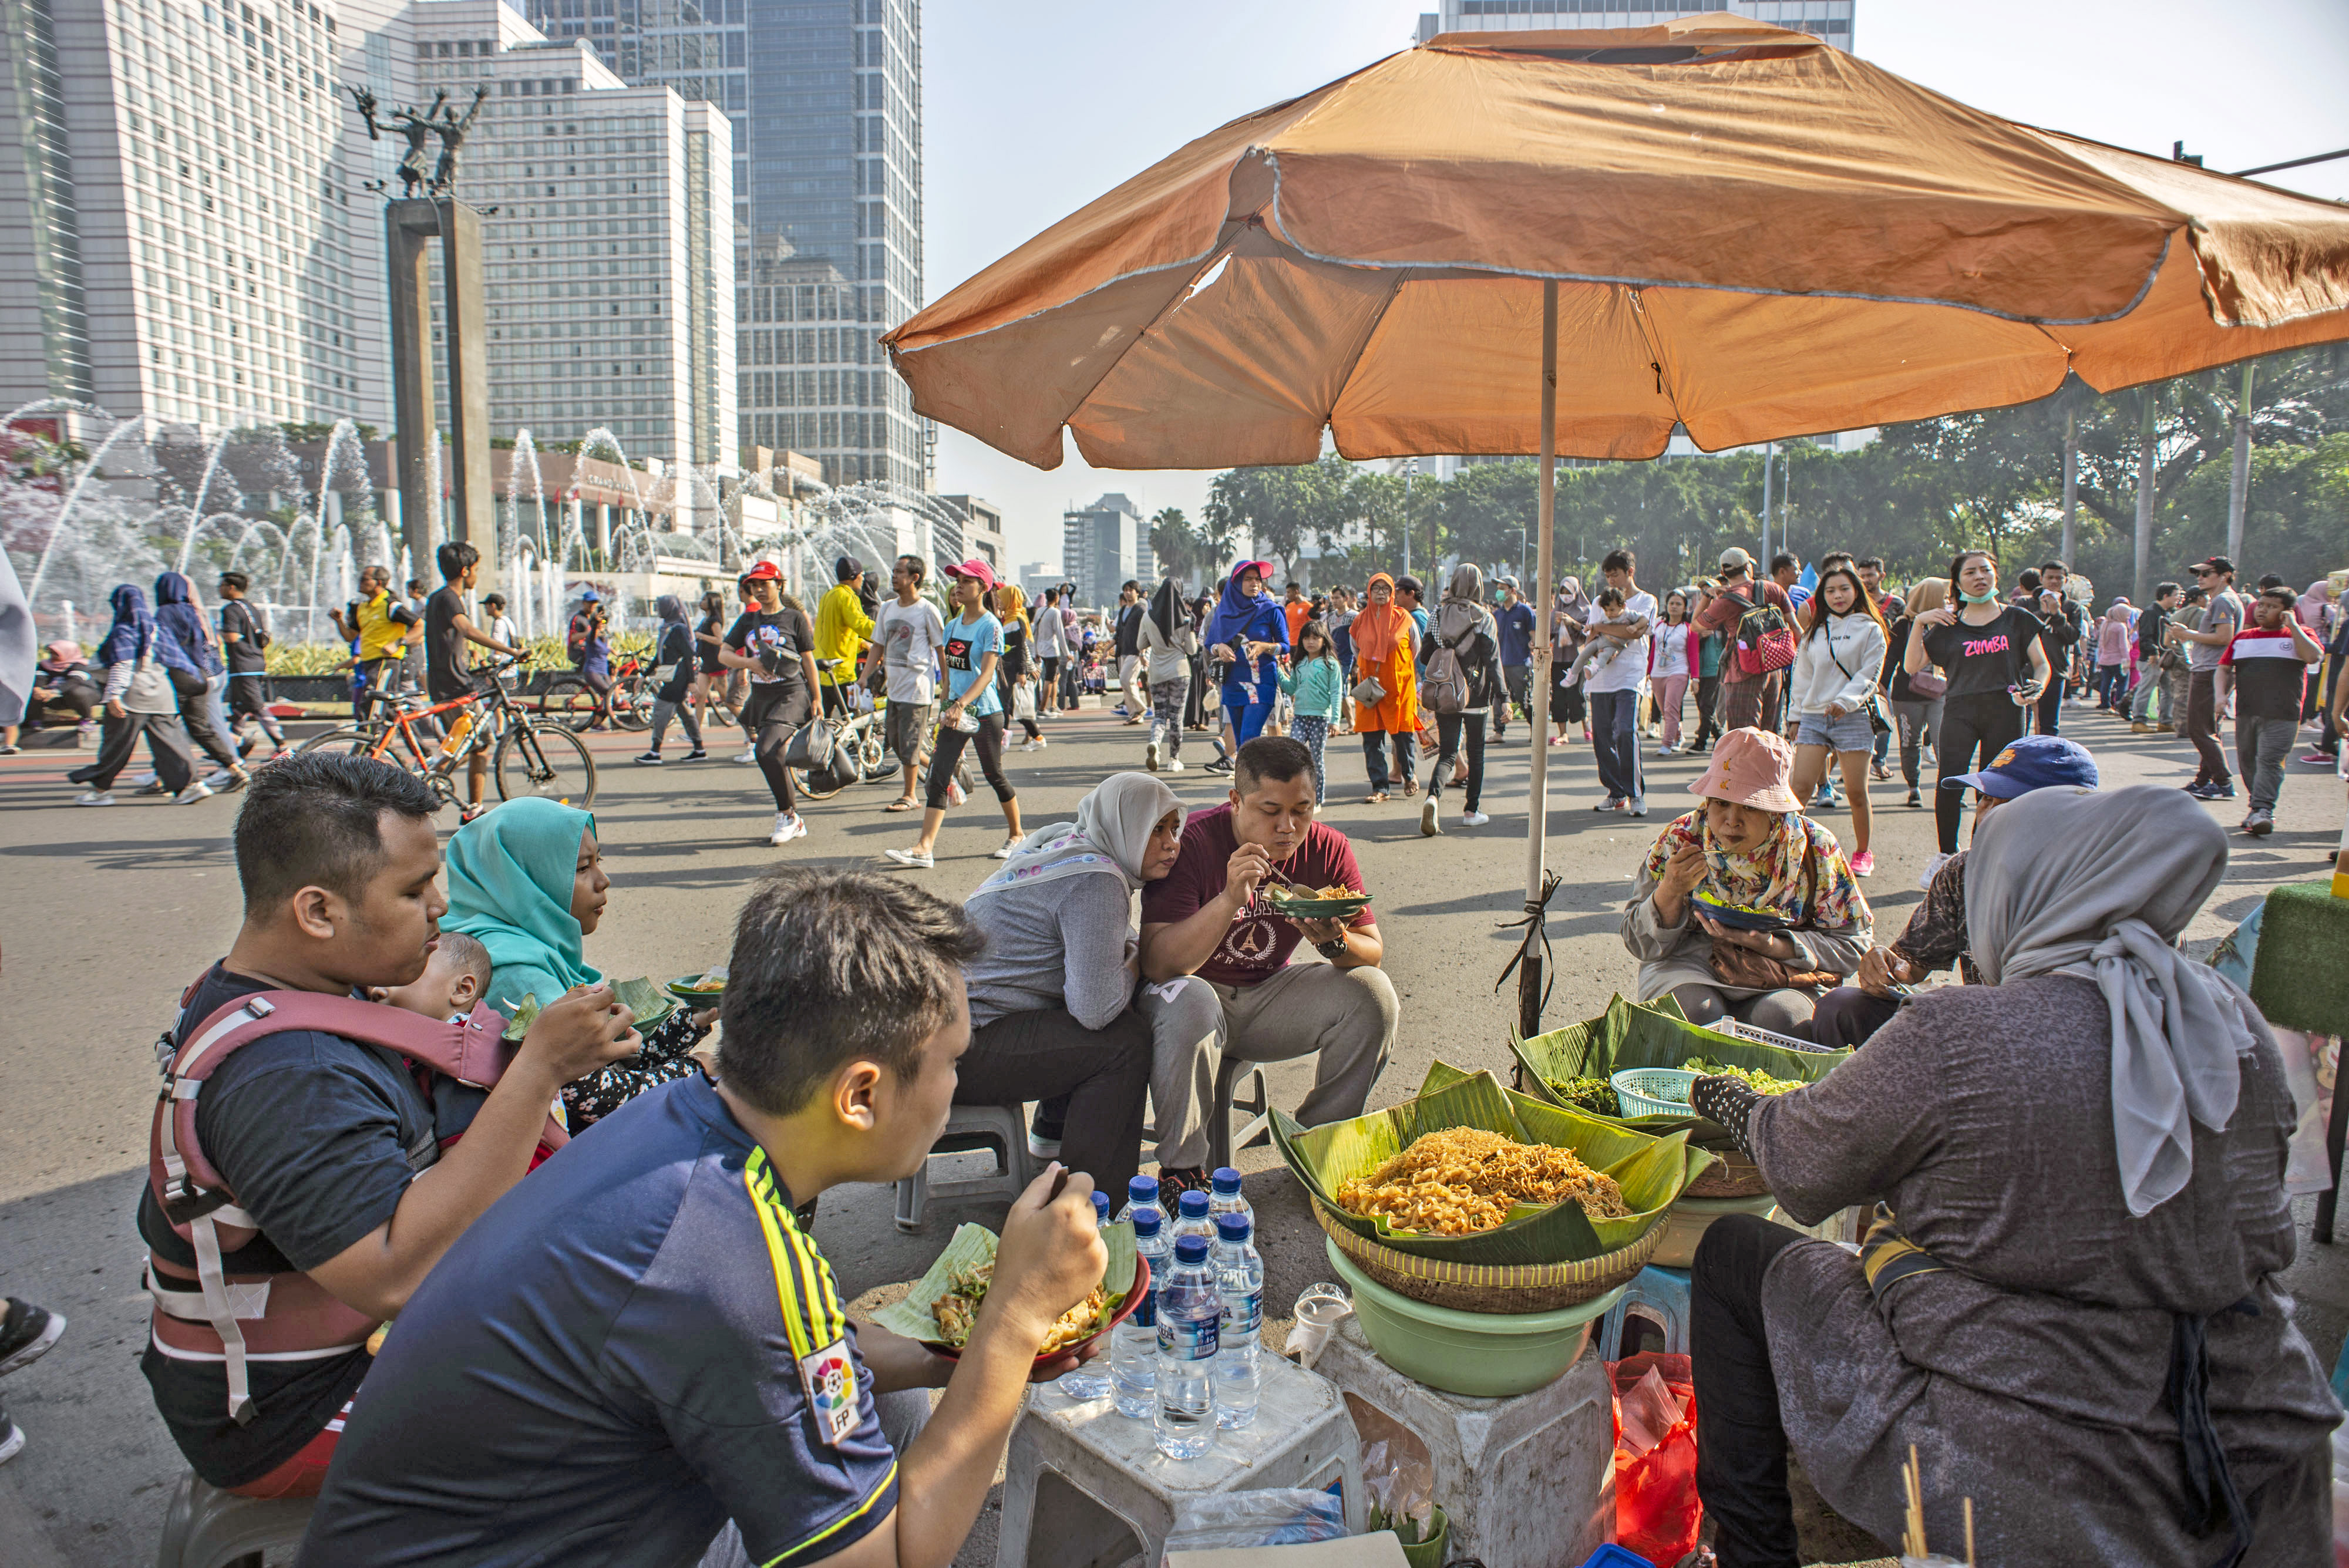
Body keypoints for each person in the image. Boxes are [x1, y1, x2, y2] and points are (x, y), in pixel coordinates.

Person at [298, 869, 1111, 1568]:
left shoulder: (689, 1123)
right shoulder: (726, 1254)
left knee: (885, 1402)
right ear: (860, 1094)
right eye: (952, 1062)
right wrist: (1013, 1316)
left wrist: (960, 1356)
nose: (956, 1082)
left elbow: (799, 1350)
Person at [1684, 785, 2337, 1568]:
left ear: (2017, 895)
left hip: (2035, 1473)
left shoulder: (1959, 1033)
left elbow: (1806, 1165)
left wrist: (1740, 1106)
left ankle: (1754, 1554)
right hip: (2259, 1460)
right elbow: (2266, 1228)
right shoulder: (2234, 1027)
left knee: (1733, 1254)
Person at [139, 755, 637, 1499]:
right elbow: (395, 1275)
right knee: (646, 1412)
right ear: (318, 912)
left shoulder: (279, 990)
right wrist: (537, 1071)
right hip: (296, 1407)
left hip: (334, 1354)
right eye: (412, 890)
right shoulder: (289, 1075)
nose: (441, 907)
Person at [1138, 736, 1398, 1148]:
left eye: (1302, 810)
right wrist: (1228, 900)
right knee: (1191, 999)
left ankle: (1317, 1144)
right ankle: (1184, 1170)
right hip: (1193, 1002)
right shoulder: (1193, 843)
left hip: (1269, 995)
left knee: (1374, 995)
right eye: (1271, 811)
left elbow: (1372, 952)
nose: (1288, 827)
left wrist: (1335, 943)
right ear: (1236, 801)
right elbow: (1157, 965)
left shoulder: (1328, 848)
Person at [963, 773, 1179, 1200]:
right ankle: (1092, 1204)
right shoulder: (1096, 879)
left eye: (1175, 828)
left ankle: (1054, 1129)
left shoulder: (1061, 843)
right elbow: (1095, 1009)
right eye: (1156, 829)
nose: (1172, 843)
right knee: (1124, 1040)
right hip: (959, 1048)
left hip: (938, 1028)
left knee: (1090, 984)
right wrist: (1137, 961)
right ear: (1123, 826)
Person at [1808, 734, 2098, 1048]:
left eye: (2008, 804)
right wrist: (1887, 966)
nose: (1986, 815)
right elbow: (1912, 960)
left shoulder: (2102, 885)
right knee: (1843, 1008)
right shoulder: (1963, 872)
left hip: (2057, 1049)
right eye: (1985, 799)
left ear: (2063, 817)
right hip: (1973, 1029)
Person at [443, 796, 714, 1129]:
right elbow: (595, 1099)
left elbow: (607, 1061)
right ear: (524, 880)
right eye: (583, 868)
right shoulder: (513, 969)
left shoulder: (518, 946)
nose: (603, 881)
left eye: (598, 861)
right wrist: (697, 1069)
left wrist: (692, 1022)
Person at [1621, 726, 1871, 1036]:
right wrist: (1669, 892)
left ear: (1776, 811)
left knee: (1784, 1020)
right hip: (1688, 964)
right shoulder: (1680, 840)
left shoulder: (1814, 849)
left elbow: (1854, 947)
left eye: (1751, 807)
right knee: (1695, 1016)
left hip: (1783, 974)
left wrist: (1776, 946)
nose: (1732, 821)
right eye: (1721, 803)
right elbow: (1636, 941)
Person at [1903, 549, 2050, 886]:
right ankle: (1945, 857)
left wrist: (2037, 688)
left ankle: (1983, 855)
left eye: (1985, 570)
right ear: (1957, 582)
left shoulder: (2017, 618)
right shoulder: (1947, 626)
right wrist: (1919, 622)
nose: (1979, 576)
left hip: (2007, 710)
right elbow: (1912, 666)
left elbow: (2041, 665)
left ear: (1996, 575)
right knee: (1951, 781)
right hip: (1959, 711)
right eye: (1970, 572)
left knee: (1996, 788)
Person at [886, 559, 1024, 869]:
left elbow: (987, 674)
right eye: (957, 580)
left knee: (994, 775)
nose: (958, 586)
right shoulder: (951, 626)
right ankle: (924, 847)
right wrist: (946, 705)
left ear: (983, 587)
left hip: (985, 712)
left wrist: (961, 704)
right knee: (938, 775)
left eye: (966, 580)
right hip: (954, 713)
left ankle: (1017, 834)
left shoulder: (991, 626)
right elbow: (948, 673)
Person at [1786, 562, 1888, 879]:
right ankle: (1783, 848)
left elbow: (1870, 674)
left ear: (1856, 590)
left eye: (1844, 588)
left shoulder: (1871, 629)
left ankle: (1862, 852)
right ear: (1822, 595)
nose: (1838, 595)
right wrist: (1795, 716)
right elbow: (1801, 677)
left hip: (1854, 717)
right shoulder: (1815, 631)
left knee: (1857, 792)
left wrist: (1846, 702)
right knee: (1799, 788)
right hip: (1815, 718)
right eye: (1830, 590)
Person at [66, 583, 204, 805]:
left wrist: (113, 696)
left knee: (116, 748)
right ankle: (191, 786)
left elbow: (123, 665)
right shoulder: (157, 629)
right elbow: (178, 661)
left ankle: (101, 792)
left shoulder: (125, 630)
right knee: (171, 745)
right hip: (162, 697)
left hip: (131, 700)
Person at [718, 560, 822, 847]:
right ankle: (792, 817)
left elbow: (808, 660)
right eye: (755, 585)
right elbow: (724, 655)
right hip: (762, 696)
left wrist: (816, 697)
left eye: (766, 584)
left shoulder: (794, 618)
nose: (760, 590)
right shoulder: (749, 620)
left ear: (780, 585)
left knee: (765, 750)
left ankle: (788, 816)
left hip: (791, 692)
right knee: (771, 753)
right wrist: (748, 662)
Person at [423, 542, 526, 812]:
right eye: (476, 570)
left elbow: (450, 639)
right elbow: (465, 629)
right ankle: (423, 784)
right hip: (455, 687)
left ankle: (470, 806)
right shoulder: (449, 598)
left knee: (469, 745)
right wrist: (511, 651)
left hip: (447, 682)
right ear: (466, 570)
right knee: (476, 746)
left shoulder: (436, 598)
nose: (477, 576)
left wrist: (475, 660)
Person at [2218, 585, 2324, 837]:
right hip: (2247, 712)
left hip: (2284, 714)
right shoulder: (2243, 637)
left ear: (2287, 611)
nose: (2263, 610)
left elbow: (2313, 656)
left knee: (2269, 761)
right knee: (2248, 761)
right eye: (2262, 605)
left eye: (2272, 606)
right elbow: (2223, 669)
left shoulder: (2302, 634)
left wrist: (2294, 626)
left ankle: (2263, 810)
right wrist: (2221, 696)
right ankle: (2257, 809)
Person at [861, 553, 948, 810]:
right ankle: (942, 767)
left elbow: (940, 649)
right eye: (894, 571)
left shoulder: (926, 610)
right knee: (897, 742)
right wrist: (864, 677)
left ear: (915, 578)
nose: (894, 576)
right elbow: (878, 645)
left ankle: (910, 795)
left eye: (900, 572)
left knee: (909, 741)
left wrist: (945, 686)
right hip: (894, 689)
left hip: (917, 687)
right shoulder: (888, 608)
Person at [1420, 563, 1501, 834]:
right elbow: (1493, 660)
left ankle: (1433, 797)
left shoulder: (1438, 613)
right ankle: (1471, 810)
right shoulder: (1484, 617)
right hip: (1476, 695)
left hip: (1446, 691)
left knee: (1448, 752)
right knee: (1476, 753)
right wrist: (1503, 696)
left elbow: (1424, 655)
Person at [155, 571, 247, 790]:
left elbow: (162, 646)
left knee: (163, 725)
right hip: (207, 674)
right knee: (203, 727)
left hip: (181, 677)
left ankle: (172, 778)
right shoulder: (195, 611)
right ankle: (234, 767)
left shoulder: (165, 613)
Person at [2169, 556, 2247, 800]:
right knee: (2209, 729)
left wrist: (2187, 633)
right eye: (2198, 575)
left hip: (2211, 671)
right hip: (2215, 669)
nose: (2200, 579)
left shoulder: (2223, 600)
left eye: (2206, 573)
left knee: (2199, 729)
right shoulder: (2226, 600)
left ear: (2224, 575)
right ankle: (2205, 781)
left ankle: (2223, 782)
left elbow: (2225, 636)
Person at [1697, 548, 1796, 736]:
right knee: (1770, 735)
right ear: (1748, 567)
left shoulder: (1725, 602)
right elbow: (1796, 628)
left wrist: (1708, 596)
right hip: (1773, 669)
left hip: (1743, 671)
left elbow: (1696, 625)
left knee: (1743, 737)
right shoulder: (1773, 589)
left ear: (1724, 573)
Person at [1204, 560, 1290, 751]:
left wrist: (1264, 647)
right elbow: (1209, 643)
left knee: (1249, 738)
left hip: (1262, 684)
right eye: (1248, 579)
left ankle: (1255, 778)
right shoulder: (1223, 612)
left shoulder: (1271, 609)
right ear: (1236, 583)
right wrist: (1220, 648)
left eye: (1258, 579)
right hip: (1233, 684)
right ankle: (1247, 779)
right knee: (1241, 741)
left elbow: (1285, 646)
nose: (1255, 584)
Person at [1350, 572, 1419, 802]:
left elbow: (1415, 649)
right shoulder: (1359, 620)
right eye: (1376, 589)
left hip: (1399, 687)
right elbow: (1355, 649)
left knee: (1403, 736)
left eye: (1386, 589)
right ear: (1369, 593)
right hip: (1370, 689)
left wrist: (1396, 669)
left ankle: (1409, 775)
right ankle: (1380, 787)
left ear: (1392, 593)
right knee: (1372, 740)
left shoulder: (1405, 618)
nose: (1381, 593)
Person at [1882, 578, 1946, 810]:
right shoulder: (1903, 626)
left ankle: (1949, 790)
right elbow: (1890, 660)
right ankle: (1913, 788)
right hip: (1906, 696)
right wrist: (1882, 688)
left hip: (1941, 694)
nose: (1948, 600)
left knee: (1944, 742)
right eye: (1943, 596)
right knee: (1910, 742)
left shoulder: (1950, 624)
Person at [216, 572, 288, 759]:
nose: (219, 589)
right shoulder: (251, 607)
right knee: (240, 708)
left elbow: (232, 637)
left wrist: (214, 630)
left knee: (256, 706)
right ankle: (233, 746)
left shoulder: (230, 609)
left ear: (231, 587)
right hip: (256, 661)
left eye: (222, 585)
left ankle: (283, 746)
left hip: (242, 665)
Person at [635, 594, 706, 766]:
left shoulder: (679, 629)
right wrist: (644, 675)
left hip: (678, 677)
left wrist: (690, 681)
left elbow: (689, 656)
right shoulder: (668, 628)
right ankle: (699, 749)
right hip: (674, 677)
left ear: (670, 609)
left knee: (660, 710)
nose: (658, 610)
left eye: (661, 607)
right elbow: (660, 657)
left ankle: (655, 751)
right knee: (685, 713)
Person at [1280, 618, 1345, 805]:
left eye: (1316, 638)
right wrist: (1277, 671)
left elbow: (1336, 693)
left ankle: (1317, 798)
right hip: (1300, 716)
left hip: (1321, 718)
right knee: (1293, 755)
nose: (1311, 642)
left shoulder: (1331, 664)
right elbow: (1291, 688)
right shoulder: (1299, 663)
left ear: (1324, 640)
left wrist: (1335, 720)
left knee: (1316, 759)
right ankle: (1295, 794)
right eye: (1307, 638)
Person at [1142, 574, 1198, 773]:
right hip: (1180, 671)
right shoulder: (1185, 618)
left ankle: (1155, 744)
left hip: (1157, 672)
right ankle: (1174, 760)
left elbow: (1140, 644)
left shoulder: (1148, 616)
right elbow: (1192, 650)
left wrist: (1157, 642)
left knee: (1160, 715)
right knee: (1176, 717)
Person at [2025, 559, 2087, 735]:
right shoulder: (2027, 604)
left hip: (2056, 671)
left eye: (2059, 578)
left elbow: (2073, 637)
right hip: (2026, 671)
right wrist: (2043, 613)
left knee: (2050, 726)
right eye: (2050, 577)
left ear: (2066, 580)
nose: (2054, 582)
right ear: (2042, 579)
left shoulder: (2073, 607)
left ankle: (2048, 761)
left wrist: (2057, 614)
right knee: (2020, 722)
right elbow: (2021, 631)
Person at [815, 554, 876, 720]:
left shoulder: (828, 596)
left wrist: (862, 644)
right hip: (842, 674)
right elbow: (861, 624)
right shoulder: (848, 596)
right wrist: (890, 631)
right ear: (853, 576)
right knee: (857, 723)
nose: (863, 580)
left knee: (824, 723)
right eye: (861, 576)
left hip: (823, 675)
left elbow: (835, 632)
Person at [993, 582, 1045, 752]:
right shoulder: (1010, 618)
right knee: (1012, 707)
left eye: (1001, 598)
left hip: (1013, 670)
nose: (998, 601)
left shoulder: (1016, 620)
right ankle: (1037, 737)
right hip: (1008, 669)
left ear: (1010, 599)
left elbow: (1020, 647)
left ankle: (1003, 740)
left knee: (1007, 706)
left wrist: (1022, 672)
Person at [1651, 588, 1697, 756]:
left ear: (1685, 607)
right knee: (1665, 710)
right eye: (1672, 603)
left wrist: (1696, 678)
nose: (1674, 607)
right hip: (1658, 673)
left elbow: (1693, 655)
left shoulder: (1688, 628)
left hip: (1679, 671)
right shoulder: (1659, 626)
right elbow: (1653, 651)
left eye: (1679, 604)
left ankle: (1667, 744)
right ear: (1667, 605)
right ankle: (1678, 736)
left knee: (1671, 707)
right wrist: (1649, 671)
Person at [2129, 581, 2180, 731]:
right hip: (2152, 659)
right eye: (2176, 596)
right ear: (2165, 596)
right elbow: (2145, 636)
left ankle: (2165, 721)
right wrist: (2153, 652)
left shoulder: (2168, 613)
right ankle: (2139, 721)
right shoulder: (2151, 612)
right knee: (2146, 689)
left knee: (2168, 691)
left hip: (2165, 659)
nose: (2178, 599)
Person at [26, 640, 100, 741]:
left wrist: (54, 692)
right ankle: (35, 721)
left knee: (76, 692)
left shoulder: (80, 665)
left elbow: (73, 682)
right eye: (51, 653)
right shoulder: (45, 665)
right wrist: (38, 690)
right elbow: (40, 679)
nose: (53, 656)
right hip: (54, 698)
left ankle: (87, 720)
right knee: (34, 694)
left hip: (81, 697)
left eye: (56, 654)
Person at [1494, 576, 1535, 743]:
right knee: (1499, 698)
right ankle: (1498, 732)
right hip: (1500, 664)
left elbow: (1535, 637)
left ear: (1513, 590)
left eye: (1502, 588)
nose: (1499, 592)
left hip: (1520, 663)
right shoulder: (1497, 614)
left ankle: (1535, 729)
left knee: (1524, 699)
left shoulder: (1525, 611)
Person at [566, 588, 613, 729]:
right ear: (584, 603)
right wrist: (590, 632)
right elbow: (573, 638)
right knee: (605, 688)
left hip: (591, 654)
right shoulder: (578, 619)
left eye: (595, 603)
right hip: (578, 653)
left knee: (611, 666)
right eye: (590, 603)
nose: (593, 606)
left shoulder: (592, 618)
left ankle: (613, 694)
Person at [1114, 580, 1148, 724]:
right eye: (1126, 590)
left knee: (1126, 679)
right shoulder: (1122, 610)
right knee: (1127, 682)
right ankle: (1134, 714)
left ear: (1137, 592)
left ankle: (1141, 708)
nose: (1128, 593)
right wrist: (1106, 650)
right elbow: (1118, 633)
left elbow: (1147, 631)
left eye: (1131, 590)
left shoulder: (1141, 609)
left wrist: (1143, 652)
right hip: (1123, 650)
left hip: (1136, 650)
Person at [2093, 597, 2134, 712]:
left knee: (2106, 683)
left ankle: (2104, 703)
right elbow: (2123, 646)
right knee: (2122, 683)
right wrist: (2127, 659)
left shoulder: (2106, 624)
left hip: (2105, 660)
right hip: (2119, 660)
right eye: (2127, 615)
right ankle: (2119, 705)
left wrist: (2099, 659)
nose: (2128, 617)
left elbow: (2100, 643)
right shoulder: (2121, 627)